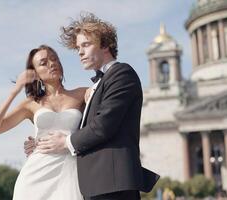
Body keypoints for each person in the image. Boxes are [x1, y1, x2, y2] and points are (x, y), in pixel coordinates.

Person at [25, 13, 160, 200]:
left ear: (105, 45)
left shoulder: (122, 74)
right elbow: (85, 128)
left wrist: (65, 142)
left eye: (86, 45)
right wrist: (42, 142)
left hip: (112, 184)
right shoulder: (99, 83)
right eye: (78, 47)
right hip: (97, 184)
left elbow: (103, 126)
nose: (80, 52)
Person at [0, 44, 87, 200]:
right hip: (36, 174)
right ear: (35, 74)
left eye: (54, 59)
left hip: (69, 171)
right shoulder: (30, 104)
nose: (52, 63)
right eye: (44, 62)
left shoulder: (82, 94)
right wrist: (14, 91)